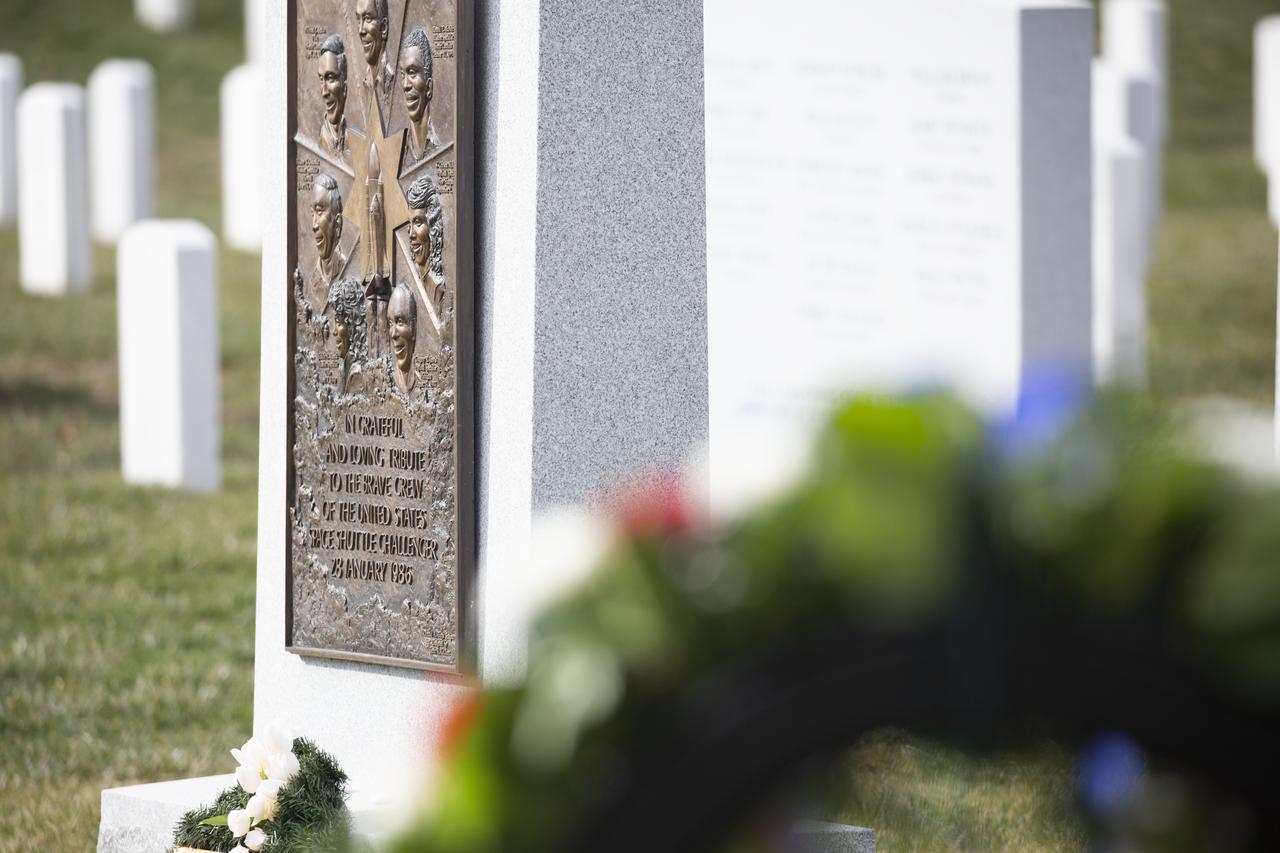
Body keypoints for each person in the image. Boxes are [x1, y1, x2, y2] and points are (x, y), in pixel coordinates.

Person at [405, 175, 446, 317]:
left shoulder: (438, 288)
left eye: (418, 222)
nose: (410, 233)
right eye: (409, 224)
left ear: (433, 227)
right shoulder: (410, 277)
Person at [400, 27, 439, 162]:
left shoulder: (438, 147)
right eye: (402, 74)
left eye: (412, 72)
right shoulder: (400, 151)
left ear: (429, 87)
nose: (405, 85)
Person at [310, 173, 349, 303]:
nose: (314, 225)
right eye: (312, 213)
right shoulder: (313, 279)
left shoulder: (346, 270)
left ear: (337, 223)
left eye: (319, 211)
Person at [354, 0, 394, 119]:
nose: (361, 30)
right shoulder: (365, 80)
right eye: (358, 19)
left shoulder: (392, 77)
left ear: (384, 27)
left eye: (367, 19)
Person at [329, 276, 366, 395]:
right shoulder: (344, 367)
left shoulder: (357, 374)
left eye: (338, 322)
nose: (333, 331)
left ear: (352, 325)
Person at [317, 34, 349, 158]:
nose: (324, 92)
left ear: (344, 87)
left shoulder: (353, 138)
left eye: (330, 78)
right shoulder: (322, 140)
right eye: (321, 79)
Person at [388, 281, 418, 393]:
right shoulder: (387, 376)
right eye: (390, 323)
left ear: (413, 327)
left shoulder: (424, 375)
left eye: (400, 321)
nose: (393, 334)